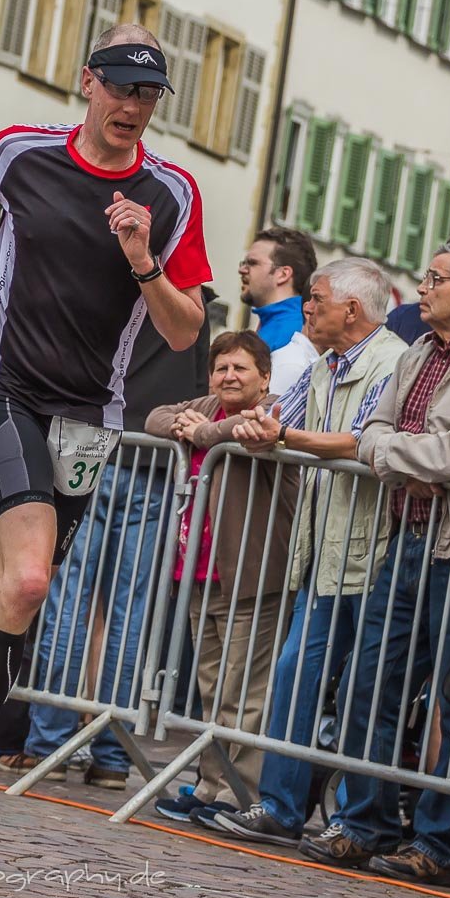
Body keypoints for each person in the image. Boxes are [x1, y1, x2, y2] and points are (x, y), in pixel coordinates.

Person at [0, 22, 211, 863]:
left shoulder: (171, 194)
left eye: (148, 94)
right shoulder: (21, 153)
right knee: (27, 576)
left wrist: (144, 259)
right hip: (6, 388)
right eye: (121, 87)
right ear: (87, 83)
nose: (133, 106)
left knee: (15, 602)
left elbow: (184, 333)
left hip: (90, 415)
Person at [213, 258, 406, 845]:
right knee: (297, 672)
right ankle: (280, 806)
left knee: (365, 690)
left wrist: (281, 436)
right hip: (322, 547)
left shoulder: (394, 360)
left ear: (353, 308)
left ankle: (354, 822)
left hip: (373, 550)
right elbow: (275, 419)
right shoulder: (324, 364)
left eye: (316, 298)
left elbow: (365, 440)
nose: (307, 307)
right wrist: (253, 428)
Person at [300, 242, 450, 886]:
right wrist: (409, 459)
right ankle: (364, 826)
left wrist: (405, 456)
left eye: (435, 279)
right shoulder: (419, 351)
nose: (421, 288)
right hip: (406, 536)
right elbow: (372, 431)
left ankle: (439, 841)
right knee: (372, 679)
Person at [0, 305, 210, 789]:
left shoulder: (111, 276)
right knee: (130, 613)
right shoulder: (195, 302)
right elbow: (198, 393)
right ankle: (110, 753)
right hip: (155, 460)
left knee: (70, 599)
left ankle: (49, 743)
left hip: (92, 446)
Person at [146, 331, 299, 828]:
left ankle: (239, 794)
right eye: (221, 368)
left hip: (252, 576)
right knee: (212, 687)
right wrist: (188, 425)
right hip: (199, 572)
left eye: (241, 369)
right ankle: (210, 785)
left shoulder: (275, 408)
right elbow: (154, 416)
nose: (229, 377)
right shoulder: (207, 404)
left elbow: (248, 427)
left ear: (265, 376)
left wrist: (205, 433)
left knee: (245, 691)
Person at [239, 227, 316, 352]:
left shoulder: (291, 334)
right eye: (243, 263)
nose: (242, 270)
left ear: (283, 274)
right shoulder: (278, 324)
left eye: (252, 263)